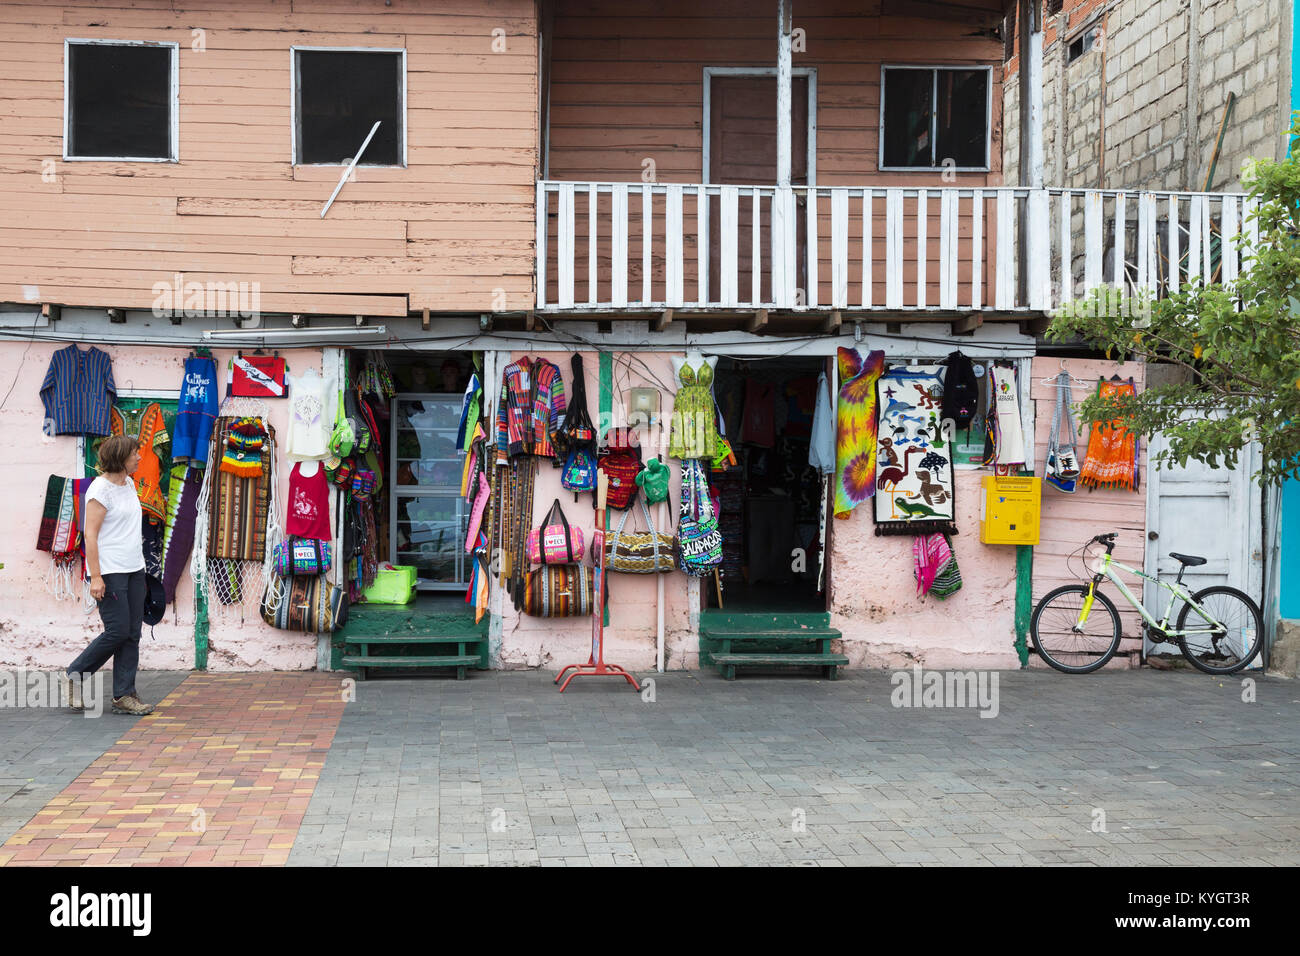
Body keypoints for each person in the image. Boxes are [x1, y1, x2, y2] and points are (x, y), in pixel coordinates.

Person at [63, 434, 156, 716]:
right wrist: (97, 577)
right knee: (117, 630)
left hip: (134, 569)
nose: (139, 457)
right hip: (110, 571)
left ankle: (123, 695)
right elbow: (89, 536)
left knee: (132, 633)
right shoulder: (99, 491)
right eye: (135, 454)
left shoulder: (128, 484)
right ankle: (76, 673)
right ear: (120, 458)